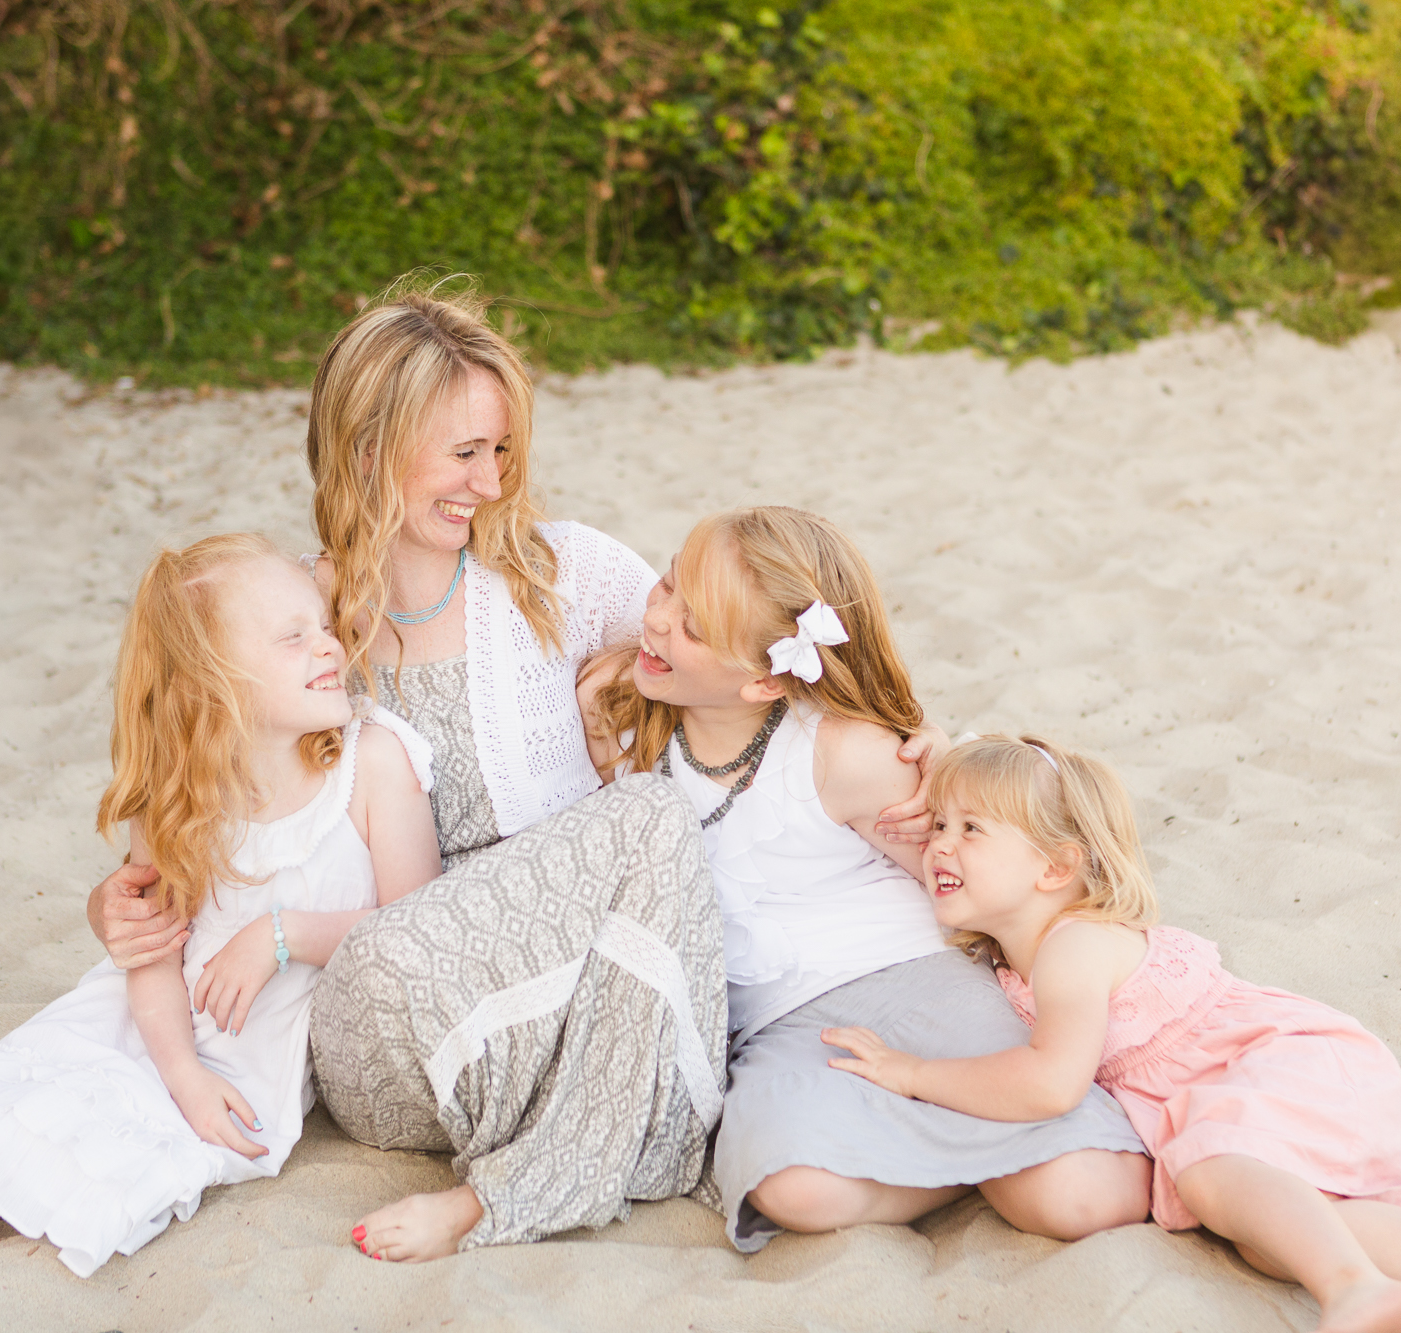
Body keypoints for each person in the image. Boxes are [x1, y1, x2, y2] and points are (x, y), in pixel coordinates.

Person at [86, 284, 930, 1261]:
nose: (488, 483)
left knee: (648, 835)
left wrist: (925, 745)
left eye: (499, 452)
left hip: (569, 1007)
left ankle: (539, 1178)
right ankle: (599, 1157)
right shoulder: (290, 626)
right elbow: (192, 799)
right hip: (387, 1005)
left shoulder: (558, 574)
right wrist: (116, 906)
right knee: (642, 823)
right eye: (461, 453)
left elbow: (766, 649)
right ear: (368, 448)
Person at [0, 535, 440, 1275]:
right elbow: (151, 953)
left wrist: (283, 934)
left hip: (242, 1062)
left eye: (322, 624)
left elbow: (421, 925)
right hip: (145, 1028)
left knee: (6, 1140)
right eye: (293, 637)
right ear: (211, 677)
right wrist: (179, 1071)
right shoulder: (182, 794)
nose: (328, 645)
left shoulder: (372, 764)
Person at [826, 735, 1401, 1332]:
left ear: (1056, 866)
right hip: (1245, 1094)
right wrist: (890, 814)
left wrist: (911, 1073)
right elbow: (932, 860)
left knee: (1215, 1171)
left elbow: (1049, 1084)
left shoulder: (1074, 947)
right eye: (939, 825)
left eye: (971, 828)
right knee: (1275, 1232)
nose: (941, 845)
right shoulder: (1023, 934)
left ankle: (1350, 1287)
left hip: (1286, 1065)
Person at [581, 507, 1151, 1254]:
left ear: (762, 680)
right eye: (665, 586)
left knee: (1089, 1196)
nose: (655, 620)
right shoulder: (633, 732)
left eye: (689, 626)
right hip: (784, 1026)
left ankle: (962, 1146)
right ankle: (952, 1163)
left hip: (916, 981)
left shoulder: (839, 751)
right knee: (791, 1189)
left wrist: (946, 766)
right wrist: (599, 723)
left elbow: (970, 865)